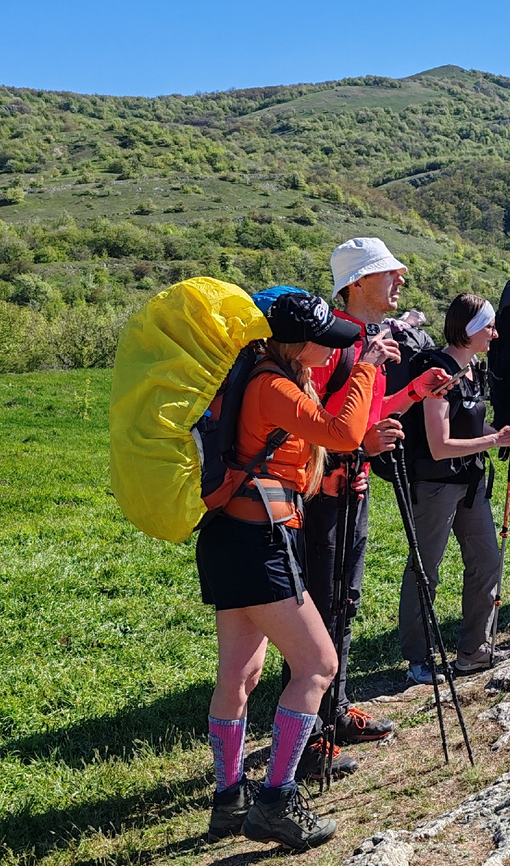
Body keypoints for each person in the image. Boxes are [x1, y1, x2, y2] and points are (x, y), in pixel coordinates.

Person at [199, 292, 399, 849]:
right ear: (296, 342)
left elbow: (298, 453)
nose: (331, 350)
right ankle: (277, 802)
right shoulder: (273, 385)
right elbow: (340, 433)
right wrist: (364, 371)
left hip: (230, 538)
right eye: (325, 342)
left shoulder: (264, 378)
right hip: (260, 542)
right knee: (317, 663)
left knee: (240, 676)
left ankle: (228, 799)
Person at [294, 237, 450, 780]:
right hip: (323, 499)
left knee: (345, 603)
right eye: (387, 273)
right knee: (321, 608)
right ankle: (310, 738)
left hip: (352, 490)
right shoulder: (332, 345)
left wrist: (411, 396)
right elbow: (323, 425)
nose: (399, 281)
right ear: (356, 284)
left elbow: (364, 413)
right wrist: (362, 444)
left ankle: (334, 714)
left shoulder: (367, 340)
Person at [398, 294, 510, 684]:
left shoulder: (474, 369)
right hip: (436, 486)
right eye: (489, 326)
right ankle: (419, 661)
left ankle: (474, 651)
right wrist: (495, 441)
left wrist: (508, 439)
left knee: (487, 561)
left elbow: (472, 429)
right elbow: (439, 447)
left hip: (470, 482)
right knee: (426, 571)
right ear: (471, 330)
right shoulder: (436, 372)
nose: (495, 333)